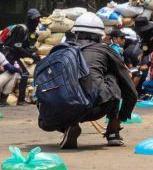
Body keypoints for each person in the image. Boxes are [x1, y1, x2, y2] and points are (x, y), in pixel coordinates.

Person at [59, 13, 138, 148]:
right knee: (113, 77)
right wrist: (121, 117)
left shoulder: (61, 50)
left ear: (76, 33)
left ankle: (68, 126)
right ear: (100, 36)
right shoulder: (105, 50)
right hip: (93, 109)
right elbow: (130, 90)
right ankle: (113, 130)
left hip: (52, 114)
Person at [3, 8, 42, 104]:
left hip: (14, 56)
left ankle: (5, 101)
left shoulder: (30, 32)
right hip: (9, 55)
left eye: (38, 20)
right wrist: (31, 55)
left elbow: (25, 47)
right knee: (24, 74)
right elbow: (17, 48)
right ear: (29, 20)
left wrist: (33, 52)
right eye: (35, 20)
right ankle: (20, 100)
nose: (37, 22)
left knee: (20, 74)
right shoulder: (21, 29)